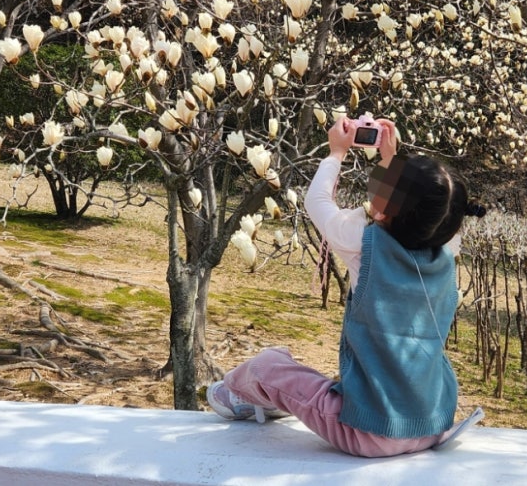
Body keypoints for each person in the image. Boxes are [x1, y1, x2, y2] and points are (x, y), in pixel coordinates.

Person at [207, 115, 482, 458]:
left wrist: (336, 153)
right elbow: (427, 212)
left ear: (384, 210)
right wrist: (390, 160)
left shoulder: (366, 246)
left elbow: (317, 204)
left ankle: (235, 396)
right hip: (432, 424)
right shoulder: (447, 249)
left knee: (269, 366)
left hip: (368, 431)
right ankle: (268, 401)